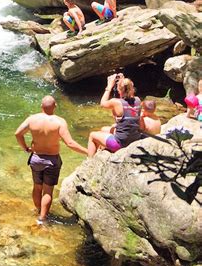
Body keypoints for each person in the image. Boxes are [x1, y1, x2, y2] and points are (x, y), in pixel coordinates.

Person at [15, 95, 87, 225]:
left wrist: (25, 147)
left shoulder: (32, 119)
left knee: (37, 187)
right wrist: (87, 152)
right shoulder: (59, 122)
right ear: (55, 106)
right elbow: (70, 143)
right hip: (51, 161)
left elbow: (18, 133)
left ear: (41, 106)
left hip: (35, 158)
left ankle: (38, 210)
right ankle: (42, 218)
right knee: (47, 191)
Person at [87, 74, 142, 157]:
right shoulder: (138, 100)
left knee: (92, 135)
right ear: (132, 88)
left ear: (119, 89)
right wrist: (123, 81)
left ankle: (89, 162)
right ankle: (101, 152)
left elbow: (102, 104)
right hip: (135, 138)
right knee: (104, 129)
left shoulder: (116, 102)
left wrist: (109, 86)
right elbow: (127, 95)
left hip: (120, 143)